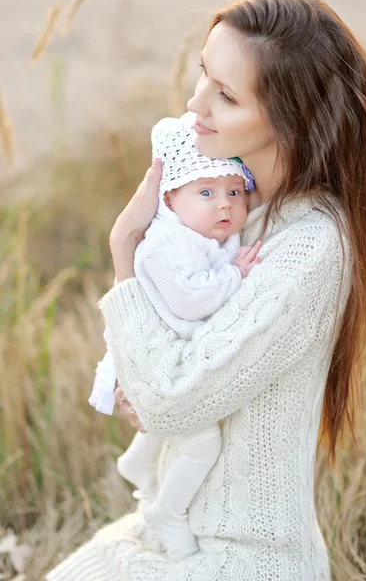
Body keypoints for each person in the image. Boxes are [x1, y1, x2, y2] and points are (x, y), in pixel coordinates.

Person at [46, 0, 366, 581]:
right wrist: (140, 385)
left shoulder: (310, 245)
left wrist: (125, 252)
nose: (195, 104)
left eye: (225, 96)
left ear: (289, 120)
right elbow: (162, 387)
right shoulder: (231, 207)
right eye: (204, 73)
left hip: (242, 555)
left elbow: (171, 400)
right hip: (173, 531)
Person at [88, 111, 262, 562]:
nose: (225, 205)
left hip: (169, 357)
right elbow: (189, 301)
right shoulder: (165, 244)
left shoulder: (202, 234)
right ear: (168, 199)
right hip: (150, 360)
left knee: (177, 425)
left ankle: (140, 458)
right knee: (202, 442)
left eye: (234, 192)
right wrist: (233, 274)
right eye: (206, 192)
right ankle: (168, 510)